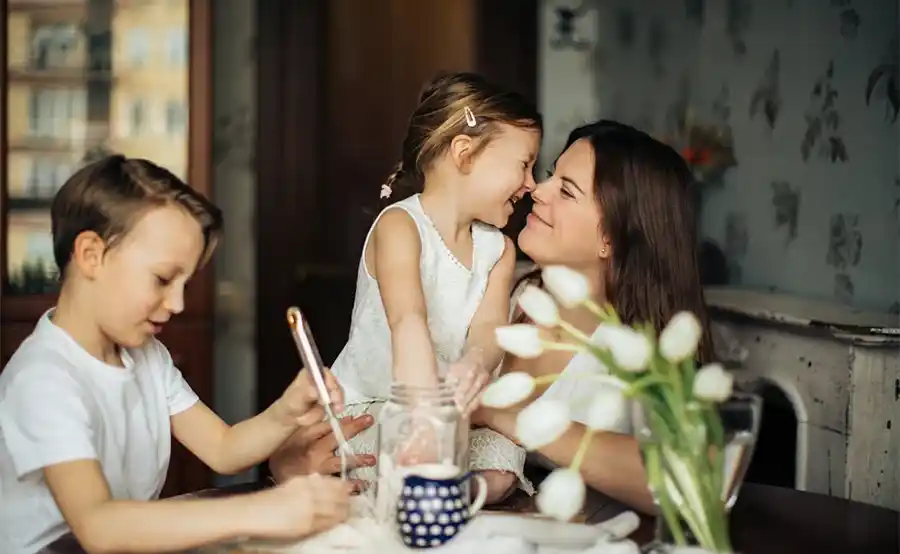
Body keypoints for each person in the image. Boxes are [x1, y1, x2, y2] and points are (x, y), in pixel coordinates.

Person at [0, 156, 353, 554]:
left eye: (185, 283)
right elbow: (98, 526)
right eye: (163, 279)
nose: (178, 303)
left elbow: (223, 449)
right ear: (91, 255)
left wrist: (288, 410)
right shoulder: (44, 379)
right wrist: (264, 510)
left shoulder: (148, 358)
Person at [473, 120, 714, 514]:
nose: (537, 188)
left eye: (566, 190)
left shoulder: (636, 355)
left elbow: (691, 481)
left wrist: (508, 416)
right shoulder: (505, 289)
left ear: (611, 238)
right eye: (552, 175)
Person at [328, 72, 542, 504]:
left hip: (448, 417)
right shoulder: (400, 226)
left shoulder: (498, 250)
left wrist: (475, 365)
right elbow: (408, 320)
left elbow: (488, 332)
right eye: (524, 164)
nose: (532, 184)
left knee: (503, 460)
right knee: (396, 454)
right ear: (464, 154)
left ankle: (442, 494)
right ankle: (427, 486)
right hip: (374, 409)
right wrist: (424, 417)